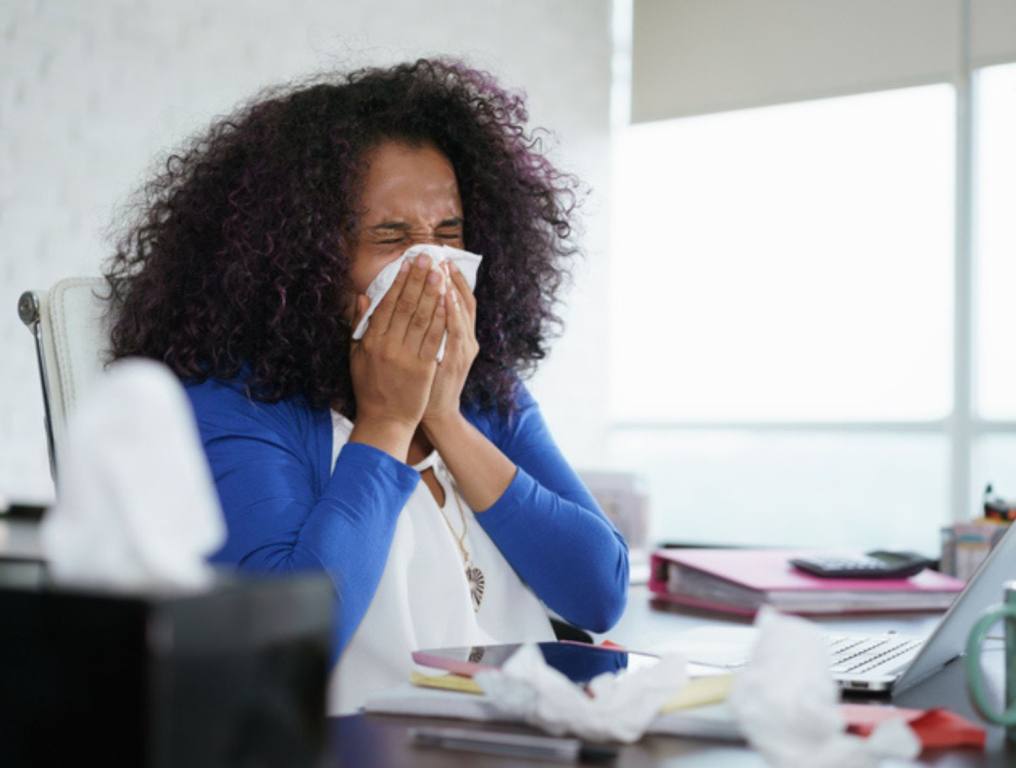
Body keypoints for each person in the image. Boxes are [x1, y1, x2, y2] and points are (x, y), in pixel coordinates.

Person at [104, 58, 629, 713]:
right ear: (302, 257)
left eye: (449, 233)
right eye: (391, 237)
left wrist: (444, 416)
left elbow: (599, 594)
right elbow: (281, 654)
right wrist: (385, 422)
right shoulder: (232, 403)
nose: (432, 266)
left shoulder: (488, 390)